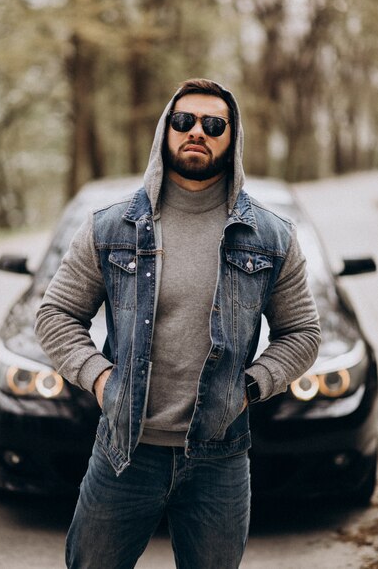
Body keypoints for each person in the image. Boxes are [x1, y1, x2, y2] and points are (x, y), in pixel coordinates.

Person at [35, 78, 321, 569]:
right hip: (125, 451)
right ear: (165, 130)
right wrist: (101, 379)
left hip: (221, 459)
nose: (197, 133)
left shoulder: (271, 237)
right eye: (183, 121)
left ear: (232, 139)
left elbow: (303, 333)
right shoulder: (110, 227)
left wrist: (250, 388)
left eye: (213, 125)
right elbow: (55, 315)